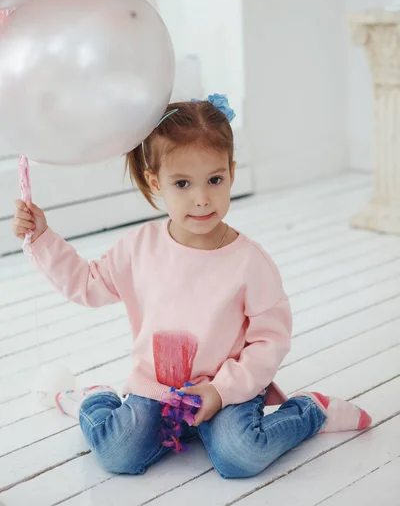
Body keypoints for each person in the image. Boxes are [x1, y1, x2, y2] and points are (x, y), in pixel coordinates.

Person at [12, 94, 371, 479]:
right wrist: (44, 237)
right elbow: (87, 284)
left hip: (226, 389)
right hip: (157, 388)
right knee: (119, 455)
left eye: (214, 180)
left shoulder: (249, 262)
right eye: (182, 183)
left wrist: (220, 392)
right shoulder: (139, 248)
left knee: (240, 456)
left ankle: (310, 412)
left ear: (231, 173)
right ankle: (95, 399)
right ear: (156, 182)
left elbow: (271, 340)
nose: (201, 198)